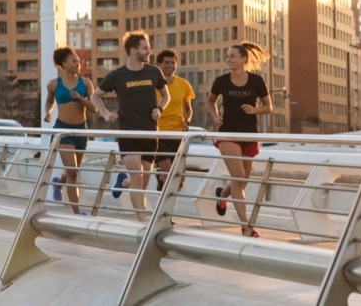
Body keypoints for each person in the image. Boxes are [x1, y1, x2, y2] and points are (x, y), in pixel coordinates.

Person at [91, 30, 170, 222]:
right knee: (138, 177)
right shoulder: (118, 75)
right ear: (134, 50)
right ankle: (142, 222)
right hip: (128, 131)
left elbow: (166, 95)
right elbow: (95, 96)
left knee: (142, 182)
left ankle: (122, 181)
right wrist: (106, 113)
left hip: (150, 133)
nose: (149, 51)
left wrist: (159, 108)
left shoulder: (153, 71)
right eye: (145, 48)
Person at [207, 42, 272, 238]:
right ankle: (246, 226)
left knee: (242, 180)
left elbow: (268, 107)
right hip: (227, 133)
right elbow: (210, 101)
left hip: (249, 133)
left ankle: (222, 195)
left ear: (244, 59)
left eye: (232, 56)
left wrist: (255, 110)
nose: (228, 59)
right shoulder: (221, 81)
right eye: (227, 56)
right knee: (238, 177)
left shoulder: (256, 81)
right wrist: (216, 116)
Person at [114, 49, 195, 192]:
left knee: (179, 182)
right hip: (159, 134)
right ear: (158, 64)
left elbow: (188, 110)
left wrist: (186, 121)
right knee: (170, 176)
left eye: (173, 62)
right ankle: (165, 214)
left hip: (178, 136)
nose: (170, 66)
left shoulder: (184, 84)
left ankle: (126, 182)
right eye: (166, 63)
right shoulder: (150, 84)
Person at [44, 46, 96, 215]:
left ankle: (58, 183)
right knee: (72, 172)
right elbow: (49, 102)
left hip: (81, 130)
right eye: (74, 61)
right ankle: (77, 211)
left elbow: (94, 108)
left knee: (73, 171)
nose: (78, 64)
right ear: (64, 64)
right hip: (63, 130)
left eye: (79, 62)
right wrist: (48, 114)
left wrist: (80, 98)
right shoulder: (53, 84)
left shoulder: (86, 83)